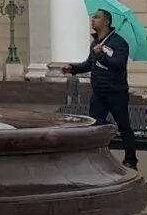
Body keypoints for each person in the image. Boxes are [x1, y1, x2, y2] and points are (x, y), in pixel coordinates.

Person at [57, 9, 138, 170]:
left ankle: (131, 160)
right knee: (93, 127)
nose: (93, 20)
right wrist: (72, 68)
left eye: (97, 17)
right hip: (99, 93)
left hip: (116, 92)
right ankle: (94, 159)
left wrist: (101, 54)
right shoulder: (95, 43)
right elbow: (89, 64)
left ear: (106, 22)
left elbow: (118, 64)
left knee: (124, 126)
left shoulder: (119, 43)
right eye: (93, 17)